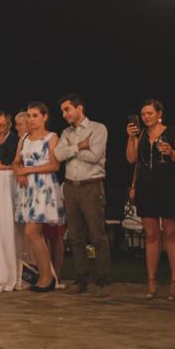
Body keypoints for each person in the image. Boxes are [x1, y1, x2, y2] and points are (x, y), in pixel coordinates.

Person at [126, 98, 175, 300]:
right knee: (151, 235)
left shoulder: (174, 132)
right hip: (147, 189)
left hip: (169, 187)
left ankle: (174, 283)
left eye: (150, 113)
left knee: (170, 234)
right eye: (143, 114)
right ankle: (152, 283)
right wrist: (131, 138)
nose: (146, 117)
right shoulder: (141, 133)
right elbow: (131, 159)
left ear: (159, 113)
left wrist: (172, 153)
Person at [54, 94, 111, 294]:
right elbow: (58, 155)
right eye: (62, 111)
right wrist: (79, 146)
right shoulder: (65, 132)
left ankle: (103, 281)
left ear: (79, 108)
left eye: (67, 109)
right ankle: (81, 280)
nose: (64, 114)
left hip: (91, 186)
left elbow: (95, 156)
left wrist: (70, 149)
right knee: (76, 237)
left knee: (97, 236)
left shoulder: (98, 129)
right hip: (71, 186)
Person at [13, 101, 65, 292]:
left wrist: (28, 170)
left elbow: (54, 165)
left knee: (32, 231)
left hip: (44, 186)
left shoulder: (51, 137)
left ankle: (48, 277)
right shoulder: (24, 138)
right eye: (29, 115)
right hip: (28, 189)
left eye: (35, 115)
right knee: (34, 233)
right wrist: (19, 172)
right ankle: (45, 274)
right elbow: (16, 161)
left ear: (45, 117)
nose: (31, 119)